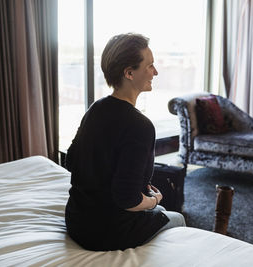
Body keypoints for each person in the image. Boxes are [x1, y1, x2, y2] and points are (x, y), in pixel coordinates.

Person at [65, 33, 186, 251]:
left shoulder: (95, 109)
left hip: (76, 221)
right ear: (129, 73)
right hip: (106, 232)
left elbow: (71, 162)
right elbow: (127, 200)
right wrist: (155, 200)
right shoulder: (141, 126)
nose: (155, 72)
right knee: (177, 218)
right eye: (149, 66)